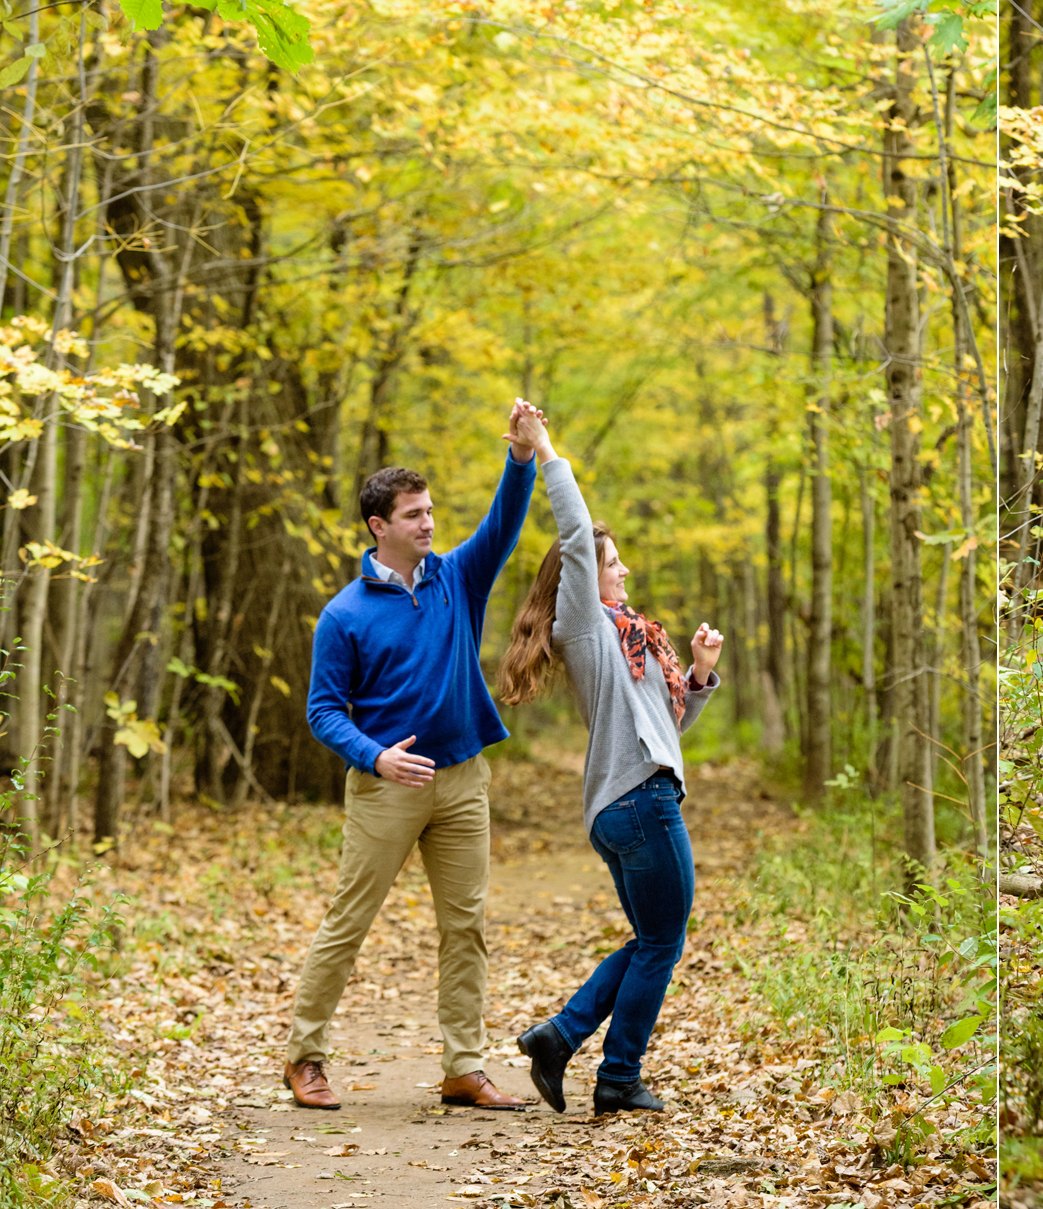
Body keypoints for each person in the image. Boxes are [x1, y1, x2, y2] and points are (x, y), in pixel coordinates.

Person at [282, 400, 542, 1112]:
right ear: (378, 526)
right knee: (349, 922)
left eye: (430, 511)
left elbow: (503, 526)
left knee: (467, 926)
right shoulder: (344, 615)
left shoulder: (459, 578)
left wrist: (519, 457)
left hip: (463, 780)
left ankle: (464, 1067)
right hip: (386, 790)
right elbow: (322, 712)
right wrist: (374, 758)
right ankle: (305, 1058)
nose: (429, 523)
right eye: (413, 515)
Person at [496, 410, 724, 1116]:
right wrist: (545, 453)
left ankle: (561, 1039)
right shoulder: (589, 629)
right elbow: (573, 530)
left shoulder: (634, 641)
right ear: (581, 578)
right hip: (639, 801)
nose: (624, 568)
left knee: (654, 937)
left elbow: (668, 727)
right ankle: (616, 1075)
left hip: (627, 801)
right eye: (612, 560)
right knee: (664, 941)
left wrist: (702, 676)